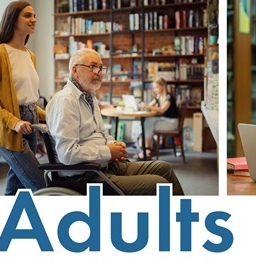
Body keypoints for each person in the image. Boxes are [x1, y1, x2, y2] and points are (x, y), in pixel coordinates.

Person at [46, 48, 185, 195]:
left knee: (165, 168)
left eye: (101, 68)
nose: (98, 72)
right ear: (75, 70)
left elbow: (102, 133)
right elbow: (67, 154)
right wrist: (108, 152)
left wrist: (113, 144)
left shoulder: (90, 97)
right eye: (93, 67)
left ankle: (182, 216)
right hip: (87, 176)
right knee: (160, 184)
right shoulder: (65, 101)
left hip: (107, 165)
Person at [0, 0, 46, 195]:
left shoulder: (30, 55)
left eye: (34, 16)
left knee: (17, 186)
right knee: (41, 186)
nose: (33, 19)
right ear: (12, 19)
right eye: (27, 15)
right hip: (11, 130)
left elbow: (29, 99)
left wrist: (47, 114)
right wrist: (15, 122)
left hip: (31, 125)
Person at [139, 78, 181, 159]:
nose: (155, 90)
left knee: (147, 125)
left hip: (172, 123)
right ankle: (148, 149)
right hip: (164, 120)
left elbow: (162, 110)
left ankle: (147, 149)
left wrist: (147, 106)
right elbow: (150, 105)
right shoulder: (159, 96)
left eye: (156, 87)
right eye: (154, 88)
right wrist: (141, 105)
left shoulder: (169, 97)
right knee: (148, 122)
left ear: (163, 86)